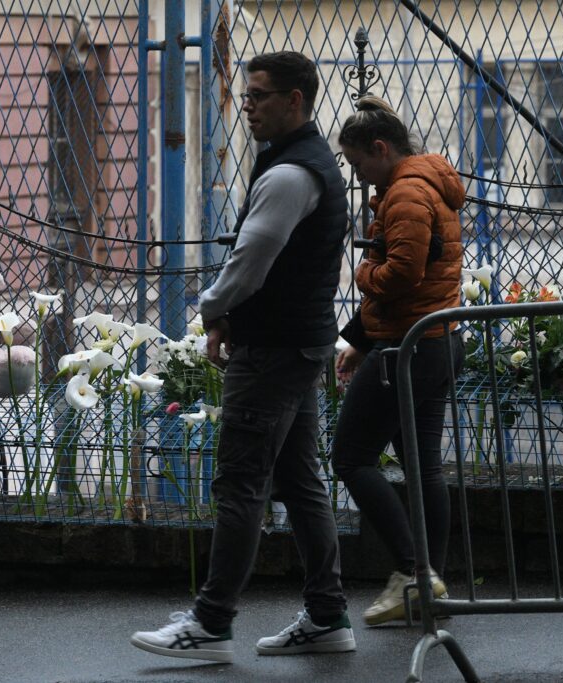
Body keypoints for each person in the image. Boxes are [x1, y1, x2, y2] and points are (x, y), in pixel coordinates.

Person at [129, 51, 354, 664]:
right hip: (297, 342)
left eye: (258, 95)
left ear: (295, 100)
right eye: (246, 94)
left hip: (274, 350)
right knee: (299, 481)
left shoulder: (290, 173)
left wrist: (211, 305)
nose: (246, 105)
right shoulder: (302, 161)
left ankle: (211, 622)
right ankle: (327, 615)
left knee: (240, 482)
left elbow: (253, 255)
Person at [331, 95, 465, 626]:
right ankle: (427, 582)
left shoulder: (407, 192)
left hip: (407, 349)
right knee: (422, 464)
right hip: (432, 339)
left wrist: (363, 271)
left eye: (358, 162)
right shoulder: (424, 183)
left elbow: (401, 275)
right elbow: (419, 283)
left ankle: (414, 572)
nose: (357, 174)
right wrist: (362, 338)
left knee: (351, 458)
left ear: (380, 148)